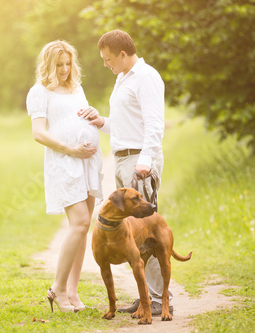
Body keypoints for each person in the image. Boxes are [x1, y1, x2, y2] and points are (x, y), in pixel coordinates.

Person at [79, 29, 173, 316]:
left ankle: (158, 299)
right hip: (122, 159)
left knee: (146, 231)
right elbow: (124, 124)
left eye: (108, 59)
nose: (106, 64)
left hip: (138, 162)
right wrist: (101, 121)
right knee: (134, 234)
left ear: (123, 53)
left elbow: (155, 124)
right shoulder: (123, 78)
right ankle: (148, 296)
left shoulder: (146, 77)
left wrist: (145, 161)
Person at [26, 40, 103, 313]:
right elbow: (39, 133)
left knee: (82, 228)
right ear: (48, 64)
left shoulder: (76, 88)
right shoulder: (39, 92)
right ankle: (56, 290)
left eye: (68, 64)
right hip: (65, 162)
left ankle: (72, 292)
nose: (65, 69)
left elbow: (81, 117)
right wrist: (71, 149)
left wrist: (94, 115)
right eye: (59, 65)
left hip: (88, 161)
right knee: (80, 222)